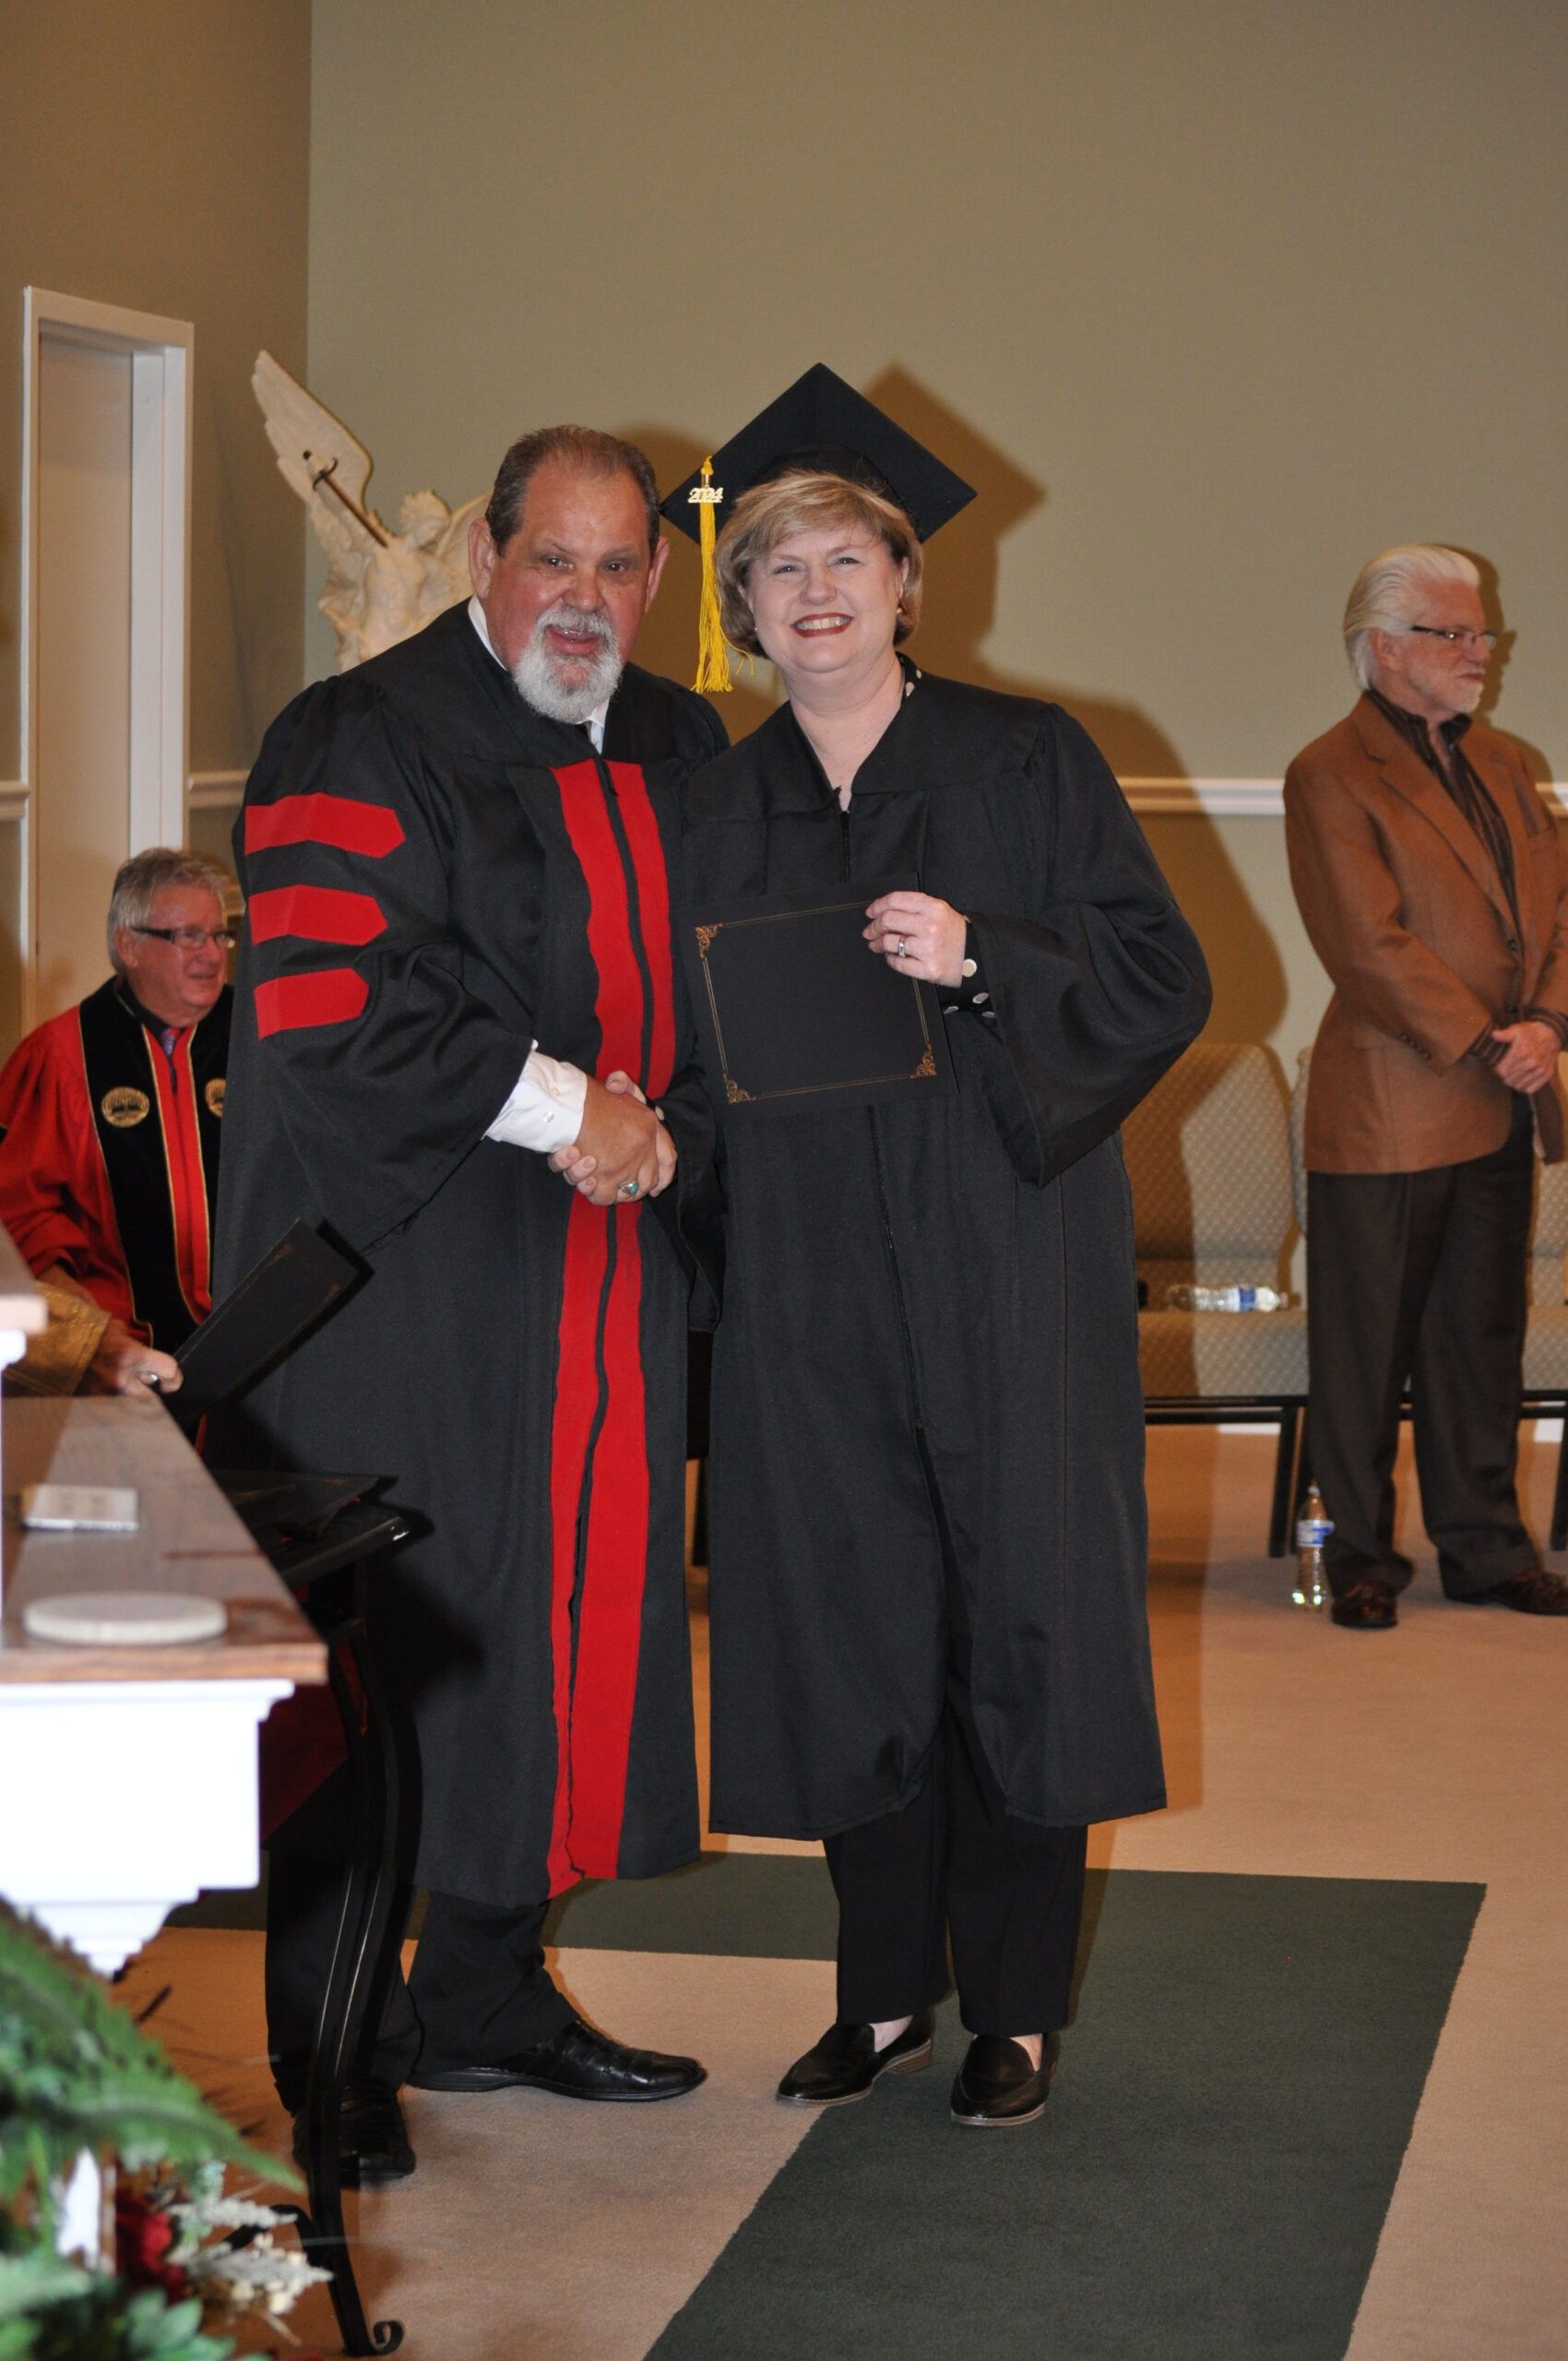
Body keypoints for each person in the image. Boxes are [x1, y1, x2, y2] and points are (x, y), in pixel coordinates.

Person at [649, 372, 1209, 2128]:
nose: (813, 592)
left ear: (908, 581)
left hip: (1001, 1242)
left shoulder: (1025, 755)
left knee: (1019, 1614)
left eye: (846, 559)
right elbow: (671, 1043)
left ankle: (1018, 2011)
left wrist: (984, 957)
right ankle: (881, 1990)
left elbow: (1157, 981)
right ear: (739, 612)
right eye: (774, 569)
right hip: (805, 1268)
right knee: (844, 1617)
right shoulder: (703, 803)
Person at [216, 426, 728, 2185]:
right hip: (406, 1268)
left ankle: (491, 1991)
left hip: (598, 1270)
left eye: (616, 568)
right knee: (393, 1652)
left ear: (654, 581)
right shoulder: (358, 734)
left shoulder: (674, 736)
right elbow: (333, 997)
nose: (581, 602)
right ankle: (337, 2050)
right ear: (487, 559)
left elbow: (724, 973)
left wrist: (670, 1138)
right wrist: (570, 1105)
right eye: (551, 561)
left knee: (560, 1629)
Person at [1285, 544, 1568, 1630]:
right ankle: (1352, 1556)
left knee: (1476, 1339)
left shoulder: (1503, 761)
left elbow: (1553, 908)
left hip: (1502, 1090)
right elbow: (1365, 943)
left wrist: (1543, 1024)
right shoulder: (1329, 770)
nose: (1479, 653)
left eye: (1481, 633)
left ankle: (1486, 1549)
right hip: (1389, 1106)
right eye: (1456, 634)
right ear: (1386, 647)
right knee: (1365, 1348)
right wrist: (1486, 1036)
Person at [0, 847, 232, 1396]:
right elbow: (20, 1229)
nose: (212, 955)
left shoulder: (259, 1040)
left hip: (256, 1347)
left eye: (220, 935)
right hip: (121, 1358)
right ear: (128, 945)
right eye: (188, 937)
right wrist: (97, 1343)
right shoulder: (61, 1057)